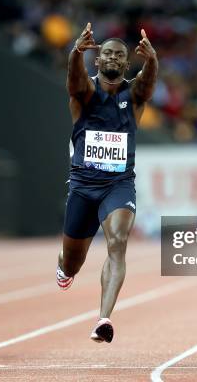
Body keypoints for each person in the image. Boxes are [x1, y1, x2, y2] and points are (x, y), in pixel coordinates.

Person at [56, 23, 158, 343]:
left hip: (119, 184)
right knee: (73, 261)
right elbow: (73, 81)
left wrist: (153, 61)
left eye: (120, 55)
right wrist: (76, 52)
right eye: (107, 53)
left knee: (117, 241)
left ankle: (103, 318)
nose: (113, 58)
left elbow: (149, 82)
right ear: (97, 61)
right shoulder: (85, 92)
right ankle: (65, 268)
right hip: (84, 186)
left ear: (127, 65)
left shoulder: (135, 93)